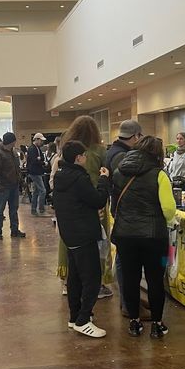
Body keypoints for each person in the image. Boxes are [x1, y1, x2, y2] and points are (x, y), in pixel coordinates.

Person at [111, 136, 176, 339]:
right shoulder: (159, 175)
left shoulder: (118, 173)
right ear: (157, 154)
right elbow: (169, 209)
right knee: (155, 280)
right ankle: (157, 324)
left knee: (130, 279)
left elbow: (114, 207)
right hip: (154, 237)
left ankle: (134, 322)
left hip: (124, 236)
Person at [53, 140, 111, 338]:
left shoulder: (61, 176)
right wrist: (104, 180)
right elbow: (98, 200)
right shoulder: (79, 178)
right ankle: (83, 319)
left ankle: (74, 316)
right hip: (83, 234)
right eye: (84, 155)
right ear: (78, 158)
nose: (87, 158)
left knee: (75, 277)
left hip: (69, 234)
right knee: (92, 278)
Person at [58, 116, 112, 298]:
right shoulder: (99, 151)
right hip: (95, 203)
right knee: (97, 245)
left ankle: (67, 282)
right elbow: (106, 176)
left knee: (69, 244)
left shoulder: (65, 150)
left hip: (69, 207)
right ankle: (96, 285)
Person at [105, 119, 144, 317]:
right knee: (127, 260)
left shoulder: (112, 151)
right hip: (127, 211)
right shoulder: (121, 155)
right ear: (135, 136)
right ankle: (130, 303)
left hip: (120, 208)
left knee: (124, 257)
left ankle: (129, 300)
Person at [0, 132, 26, 240]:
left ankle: (15, 230)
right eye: (14, 140)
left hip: (14, 185)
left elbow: (16, 167)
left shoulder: (13, 152)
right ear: (11, 141)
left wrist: (20, 179)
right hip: (3, 187)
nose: (16, 142)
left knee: (14, 209)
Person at [27, 133, 48, 216]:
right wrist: (42, 162)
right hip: (34, 172)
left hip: (37, 172)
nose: (42, 142)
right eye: (41, 140)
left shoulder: (37, 148)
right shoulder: (32, 149)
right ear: (36, 139)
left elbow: (40, 158)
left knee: (36, 191)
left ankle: (33, 210)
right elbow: (35, 161)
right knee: (43, 191)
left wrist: (40, 160)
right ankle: (41, 209)